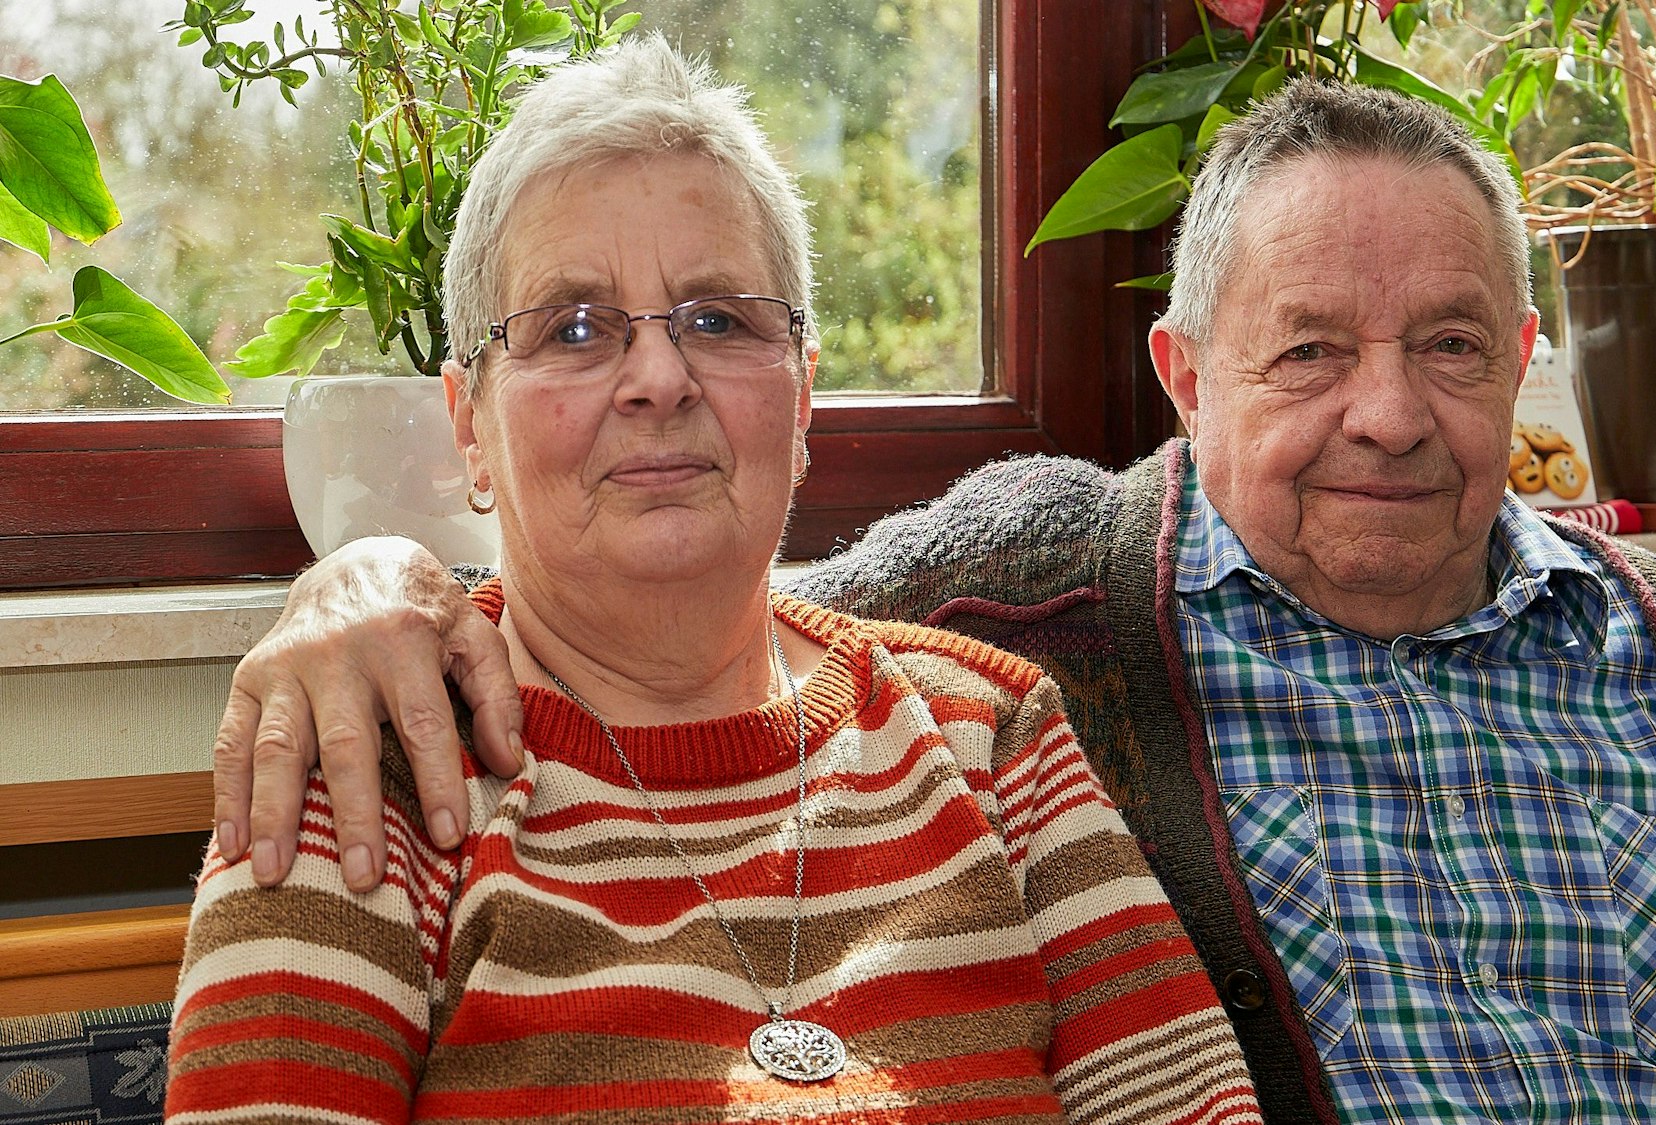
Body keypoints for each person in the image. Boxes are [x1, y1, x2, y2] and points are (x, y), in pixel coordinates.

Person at [208, 78, 1656, 1124]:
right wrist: (372, 587)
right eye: (1308, 350)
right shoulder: (1027, 612)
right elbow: (664, 594)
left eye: (1451, 346)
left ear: (1528, 366)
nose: (1387, 409)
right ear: (1181, 372)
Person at [164, 37, 1265, 1125]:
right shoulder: (365, 757)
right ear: (469, 427)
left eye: (717, 320)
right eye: (575, 328)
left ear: (802, 399)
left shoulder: (995, 737)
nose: (656, 378)